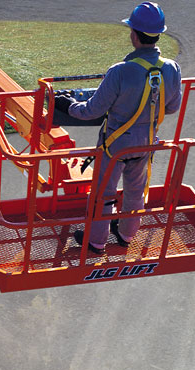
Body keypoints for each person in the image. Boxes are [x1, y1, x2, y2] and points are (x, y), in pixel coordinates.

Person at [55, 1, 182, 254]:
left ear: (133, 34)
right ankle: (125, 234)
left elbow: (92, 110)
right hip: (146, 143)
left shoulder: (120, 72)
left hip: (115, 146)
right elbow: (171, 107)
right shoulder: (171, 68)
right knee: (135, 191)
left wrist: (68, 105)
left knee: (104, 194)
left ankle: (96, 241)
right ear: (158, 34)